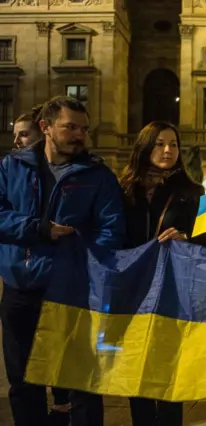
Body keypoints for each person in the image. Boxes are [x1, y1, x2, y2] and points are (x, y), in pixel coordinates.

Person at [0, 96, 126, 426]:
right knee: (23, 383)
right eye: (70, 127)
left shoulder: (98, 175)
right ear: (46, 127)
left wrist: (80, 258)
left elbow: (111, 230)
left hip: (71, 293)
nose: (79, 134)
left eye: (83, 128)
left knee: (80, 384)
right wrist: (40, 229)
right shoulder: (11, 166)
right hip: (20, 291)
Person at [120, 121, 203, 426]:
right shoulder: (124, 189)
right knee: (136, 372)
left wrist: (187, 239)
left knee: (169, 373)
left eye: (173, 145)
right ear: (145, 146)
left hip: (173, 291)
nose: (168, 150)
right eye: (159, 144)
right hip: (133, 291)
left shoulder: (192, 191)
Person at [8, 108, 73, 426]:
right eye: (15, 132)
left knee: (62, 370)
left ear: (44, 132)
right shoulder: (9, 169)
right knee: (21, 376)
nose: (15, 139)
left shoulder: (70, 171)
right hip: (18, 284)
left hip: (58, 283)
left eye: (23, 133)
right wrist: (40, 228)